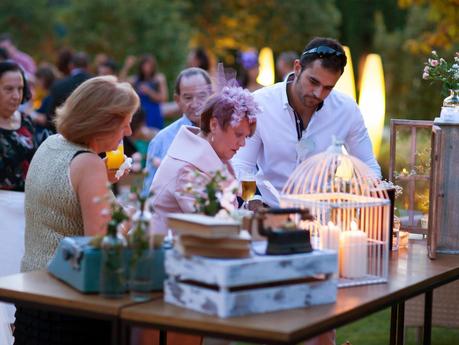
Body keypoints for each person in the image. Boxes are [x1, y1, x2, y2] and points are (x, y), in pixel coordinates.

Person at [15, 76, 139, 345]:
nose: (129, 132)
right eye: (125, 122)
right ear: (103, 123)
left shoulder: (51, 144)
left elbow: (62, 199)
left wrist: (99, 184)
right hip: (69, 306)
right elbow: (103, 245)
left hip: (32, 298)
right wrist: (129, 217)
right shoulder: (88, 163)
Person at [232, 37, 381, 208]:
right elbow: (242, 166)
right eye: (313, 82)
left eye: (328, 88)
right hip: (267, 211)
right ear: (297, 68)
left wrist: (373, 193)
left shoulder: (347, 110)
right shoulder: (260, 103)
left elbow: (368, 165)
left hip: (321, 219)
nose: (318, 93)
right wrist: (252, 200)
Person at [149, 80, 259, 234]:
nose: (242, 144)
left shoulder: (211, 154)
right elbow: (215, 227)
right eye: (238, 134)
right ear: (214, 125)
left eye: (246, 137)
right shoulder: (187, 169)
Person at [0, 60, 36, 345]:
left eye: (19, 89)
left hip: (26, 211)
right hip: (1, 212)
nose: (15, 95)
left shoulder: (27, 122)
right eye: (8, 89)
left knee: (21, 276)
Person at [142, 67, 212, 195]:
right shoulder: (161, 140)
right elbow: (149, 193)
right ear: (177, 100)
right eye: (188, 97)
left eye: (202, 96)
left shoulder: (224, 135)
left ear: (211, 95)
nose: (195, 103)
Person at [44, 51, 93, 131]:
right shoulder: (98, 85)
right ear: (88, 66)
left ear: (71, 65)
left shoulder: (59, 86)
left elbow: (51, 117)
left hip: (65, 133)